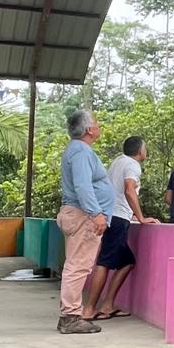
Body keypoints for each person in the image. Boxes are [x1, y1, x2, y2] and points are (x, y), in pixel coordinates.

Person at [84, 136, 159, 322]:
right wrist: (141, 217)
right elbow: (129, 189)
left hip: (111, 215)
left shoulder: (118, 161)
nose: (146, 151)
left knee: (127, 261)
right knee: (105, 262)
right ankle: (89, 309)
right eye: (145, 148)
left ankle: (107, 305)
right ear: (140, 151)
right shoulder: (133, 165)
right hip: (117, 218)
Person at [56, 109, 114, 335]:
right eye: (96, 123)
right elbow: (82, 185)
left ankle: (70, 315)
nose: (99, 126)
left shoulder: (77, 149)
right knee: (78, 265)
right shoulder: (80, 151)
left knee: (77, 264)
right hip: (82, 215)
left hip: (79, 213)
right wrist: (96, 213)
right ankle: (70, 317)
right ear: (90, 129)